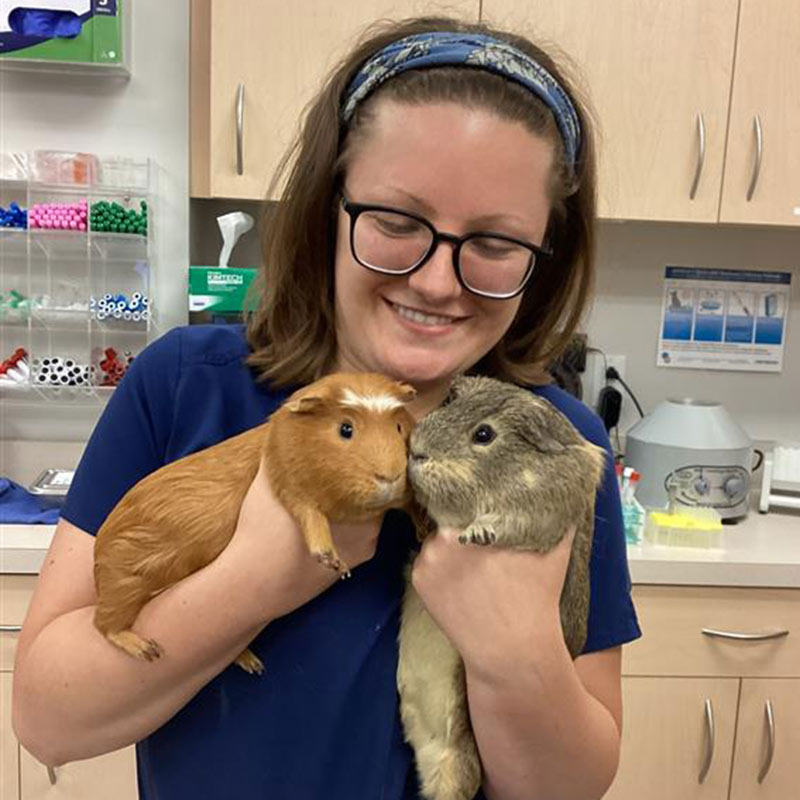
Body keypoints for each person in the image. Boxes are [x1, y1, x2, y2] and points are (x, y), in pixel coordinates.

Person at [12, 14, 641, 800]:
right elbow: (47, 718)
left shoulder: (557, 443)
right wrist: (253, 579)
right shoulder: (184, 387)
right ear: (328, 207)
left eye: (494, 242)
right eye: (396, 222)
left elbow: (571, 787)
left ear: (545, 257)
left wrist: (515, 650)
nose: (437, 283)